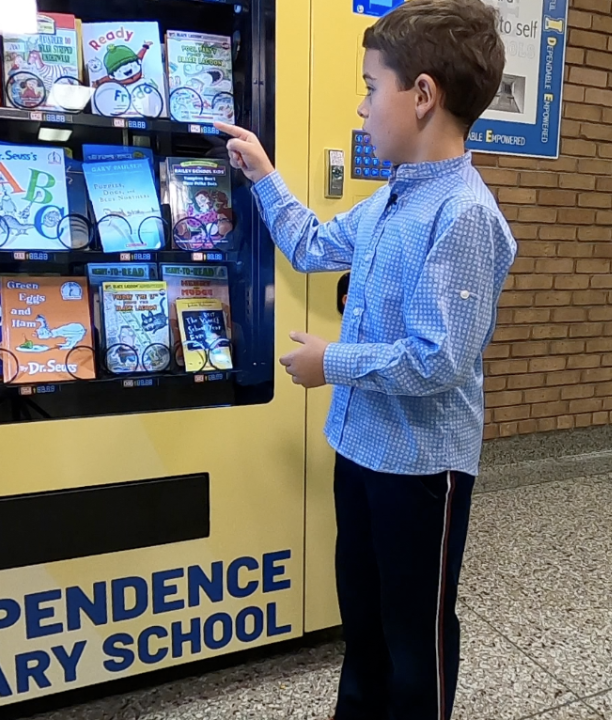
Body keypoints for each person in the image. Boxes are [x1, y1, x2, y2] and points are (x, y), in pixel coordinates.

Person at [217, 1, 514, 718]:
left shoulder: (465, 216)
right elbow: (314, 244)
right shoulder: (390, 202)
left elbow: (438, 359)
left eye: (370, 86)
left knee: (417, 639)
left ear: (421, 96)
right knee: (367, 626)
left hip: (420, 471)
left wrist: (334, 361)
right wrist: (263, 174)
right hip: (360, 450)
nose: (359, 107)